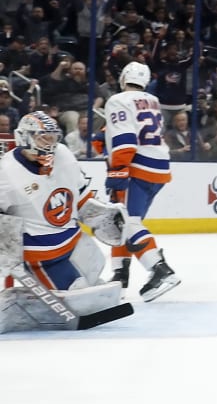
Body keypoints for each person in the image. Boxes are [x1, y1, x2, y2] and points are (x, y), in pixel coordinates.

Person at [0, 110, 132, 331]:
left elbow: (79, 194)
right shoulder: (6, 173)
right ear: (24, 137)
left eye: (52, 138)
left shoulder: (64, 155)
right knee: (79, 292)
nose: (49, 144)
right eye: (42, 138)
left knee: (95, 274)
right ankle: (29, 304)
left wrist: (100, 215)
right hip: (42, 252)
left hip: (74, 237)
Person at [102, 61, 179, 300]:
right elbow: (136, 129)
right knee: (122, 223)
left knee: (129, 223)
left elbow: (125, 139)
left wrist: (117, 172)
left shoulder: (118, 100)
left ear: (124, 77)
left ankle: (160, 270)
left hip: (137, 168)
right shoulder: (152, 100)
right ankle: (119, 275)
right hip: (158, 167)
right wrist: (103, 136)